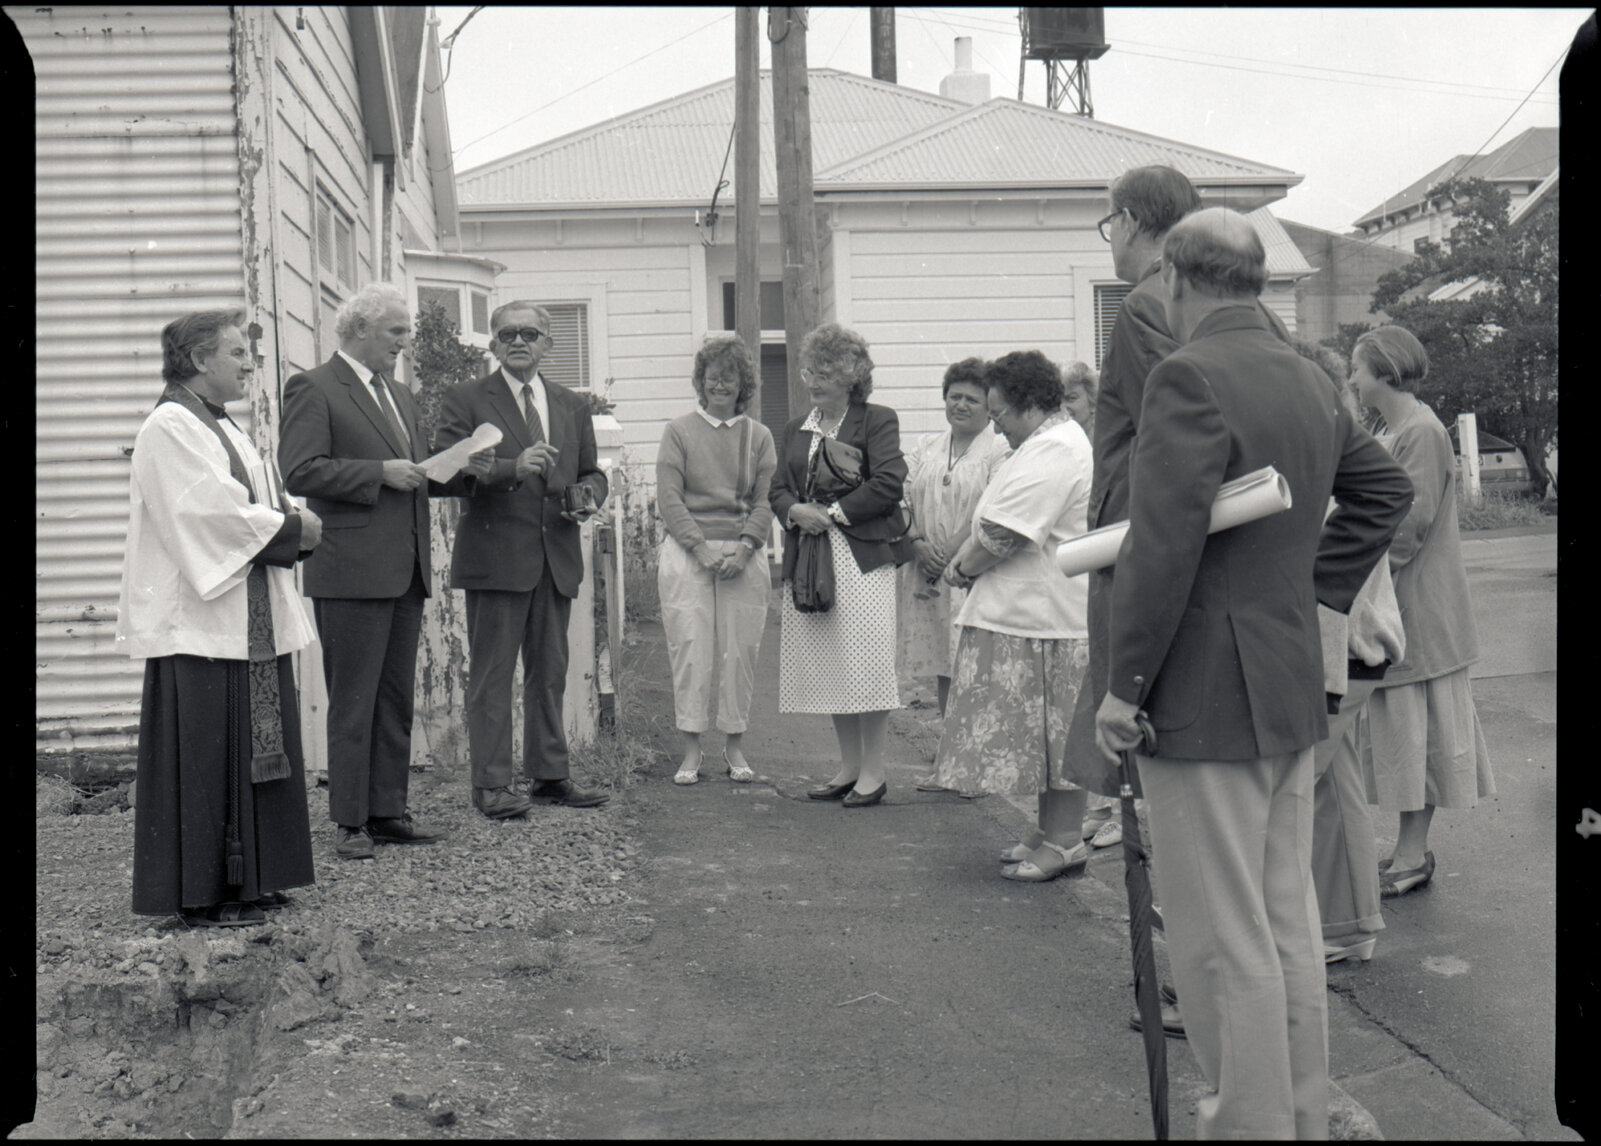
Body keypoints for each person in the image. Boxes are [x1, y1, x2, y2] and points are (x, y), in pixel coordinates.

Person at [1094, 208, 1412, 1138]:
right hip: (1282, 680)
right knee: (1283, 932)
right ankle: (1298, 1120)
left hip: (1201, 694)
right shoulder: (1310, 375)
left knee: (1218, 941)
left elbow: (1159, 547)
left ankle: (1248, 1127)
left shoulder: (1188, 375)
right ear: (1258, 281)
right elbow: (1381, 491)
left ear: (1175, 281)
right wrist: (1309, 592)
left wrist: (1123, 687)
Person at [118, 310, 322, 926]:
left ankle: (254, 879)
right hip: (202, 627)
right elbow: (206, 514)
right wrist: (293, 528)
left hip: (246, 619)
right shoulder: (171, 425)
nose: (248, 363)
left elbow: (256, 501)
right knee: (210, 754)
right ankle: (206, 893)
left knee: (257, 744)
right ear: (200, 360)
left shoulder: (221, 424)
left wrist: (289, 520)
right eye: (236, 353)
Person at [280, 282, 492, 858]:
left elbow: (417, 472)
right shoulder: (315, 387)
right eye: (396, 330)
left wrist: (467, 470)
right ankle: (350, 823)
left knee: (394, 698)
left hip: (405, 568)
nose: (405, 341)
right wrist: (378, 472)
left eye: (406, 331)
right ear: (358, 330)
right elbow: (300, 471)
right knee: (354, 700)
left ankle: (387, 811)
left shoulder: (399, 396)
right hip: (349, 569)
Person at [434, 301, 612, 817]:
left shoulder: (571, 405)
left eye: (529, 333)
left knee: (550, 672)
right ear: (492, 344)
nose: (518, 341)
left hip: (554, 555)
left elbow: (591, 471)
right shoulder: (466, 398)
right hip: (496, 558)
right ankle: (490, 785)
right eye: (507, 332)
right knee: (493, 675)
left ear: (547, 345)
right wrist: (512, 466)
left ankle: (550, 775)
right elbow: (445, 473)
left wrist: (588, 493)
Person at [934, 351, 1094, 881]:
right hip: (1029, 616)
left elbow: (1006, 533)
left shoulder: (1056, 449)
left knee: (1058, 736)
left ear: (1028, 405)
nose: (996, 424)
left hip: (1047, 617)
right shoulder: (1043, 443)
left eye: (1000, 412)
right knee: (1042, 738)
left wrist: (962, 567)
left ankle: (1068, 840)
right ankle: (1049, 833)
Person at [1348, 325, 1495, 897]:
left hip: (1421, 612)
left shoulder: (1421, 431)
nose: (1354, 380)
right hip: (1408, 607)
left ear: (1383, 371)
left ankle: (1412, 854)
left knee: (1420, 736)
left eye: (1358, 369)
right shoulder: (1403, 427)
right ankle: (1407, 851)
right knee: (1406, 737)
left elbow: (1407, 528)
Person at [1294, 342, 1406, 963]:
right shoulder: (1343, 456)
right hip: (1356, 654)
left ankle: (1295, 943)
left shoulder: (1332, 464)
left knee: (1285, 798)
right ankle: (1349, 927)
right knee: (1331, 794)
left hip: (1341, 656)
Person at [770, 324, 907, 808]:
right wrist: (794, 510)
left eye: (825, 370)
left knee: (866, 665)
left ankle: (875, 771)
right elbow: (778, 489)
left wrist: (829, 513)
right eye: (809, 369)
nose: (813, 379)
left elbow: (890, 481)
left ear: (852, 375)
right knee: (831, 665)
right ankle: (849, 767)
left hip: (861, 560)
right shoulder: (795, 428)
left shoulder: (876, 420)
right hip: (811, 557)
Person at [654, 335, 777, 785]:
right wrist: (700, 547)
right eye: (713, 376)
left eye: (730, 377)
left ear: (743, 383)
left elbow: (764, 501)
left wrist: (745, 548)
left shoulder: (758, 436)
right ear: (700, 382)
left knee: (739, 651)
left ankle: (734, 746)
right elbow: (670, 499)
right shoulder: (679, 431)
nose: (720, 384)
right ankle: (691, 750)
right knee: (690, 648)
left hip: (743, 555)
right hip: (690, 554)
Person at [898, 357, 1007, 724]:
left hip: (971, 568)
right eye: (954, 396)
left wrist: (947, 553)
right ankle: (948, 751)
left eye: (972, 399)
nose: (960, 405)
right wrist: (916, 543)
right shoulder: (927, 445)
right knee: (945, 663)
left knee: (974, 660)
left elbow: (989, 505)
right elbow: (901, 497)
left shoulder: (999, 450)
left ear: (989, 406)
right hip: (927, 569)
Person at [1060, 360, 1098, 431]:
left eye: (1071, 398)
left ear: (1092, 403)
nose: (1062, 407)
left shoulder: (1108, 440)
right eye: (1057, 401)